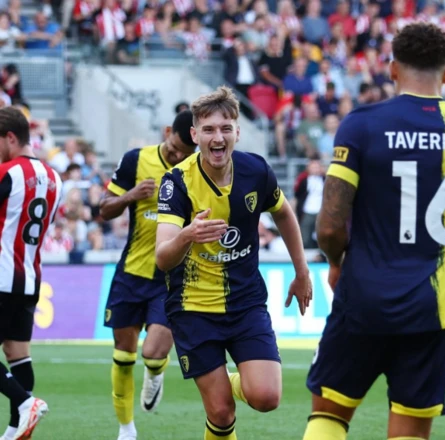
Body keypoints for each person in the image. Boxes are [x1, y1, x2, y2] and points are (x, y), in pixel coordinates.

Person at [303, 23, 445, 440]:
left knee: (329, 415)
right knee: (409, 430)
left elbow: (330, 223)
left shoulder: (362, 124)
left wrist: (337, 263)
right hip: (433, 306)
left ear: (391, 69)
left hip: (365, 293)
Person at [155, 86, 312, 440]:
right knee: (222, 413)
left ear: (237, 132)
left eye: (225, 128)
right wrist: (187, 235)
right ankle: (222, 392)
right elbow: (163, 258)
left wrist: (301, 272)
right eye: (208, 130)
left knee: (266, 397)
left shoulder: (256, 170)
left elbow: (284, 213)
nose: (218, 137)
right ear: (195, 135)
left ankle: (235, 381)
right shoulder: (177, 182)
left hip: (245, 302)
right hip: (193, 308)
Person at [99, 110, 198, 440]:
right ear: (167, 132)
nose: (178, 156)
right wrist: (130, 195)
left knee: (154, 353)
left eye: (186, 154)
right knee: (123, 356)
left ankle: (155, 374)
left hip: (170, 279)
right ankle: (126, 429)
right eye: (174, 150)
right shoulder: (135, 160)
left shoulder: (197, 173)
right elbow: (103, 208)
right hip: (131, 274)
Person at [0, 107, 62, 440]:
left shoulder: (7, 173)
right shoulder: (56, 179)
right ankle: (13, 432)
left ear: (10, 137)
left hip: (1, 276)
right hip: (30, 277)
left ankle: (25, 403)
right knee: (17, 355)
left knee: (16, 357)